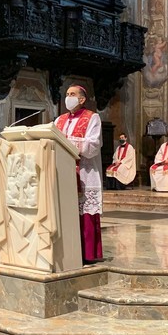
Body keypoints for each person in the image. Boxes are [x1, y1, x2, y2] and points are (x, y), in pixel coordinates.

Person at [54, 85, 103, 264]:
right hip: (62, 172)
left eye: (72, 94)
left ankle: (88, 254)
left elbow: (92, 147)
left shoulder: (92, 118)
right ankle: (66, 253)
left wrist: (66, 142)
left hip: (84, 172)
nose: (68, 97)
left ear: (82, 99)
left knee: (85, 215)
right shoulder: (59, 119)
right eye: (67, 94)